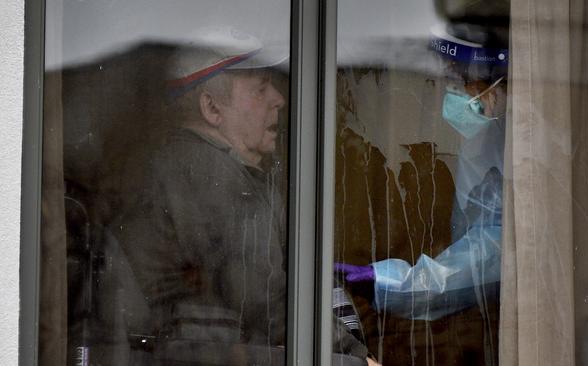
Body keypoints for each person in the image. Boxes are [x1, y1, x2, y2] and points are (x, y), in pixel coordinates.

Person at [113, 28, 375, 365]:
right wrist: (355, 357)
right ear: (211, 108)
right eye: (260, 89)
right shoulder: (208, 174)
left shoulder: (189, 167)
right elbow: (264, 299)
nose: (279, 99)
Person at [336, 25, 507, 322]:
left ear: (497, 84)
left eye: (462, 79)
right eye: (448, 78)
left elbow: (494, 253)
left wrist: (394, 283)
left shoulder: (533, 147)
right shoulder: (481, 145)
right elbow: (475, 245)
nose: (450, 91)